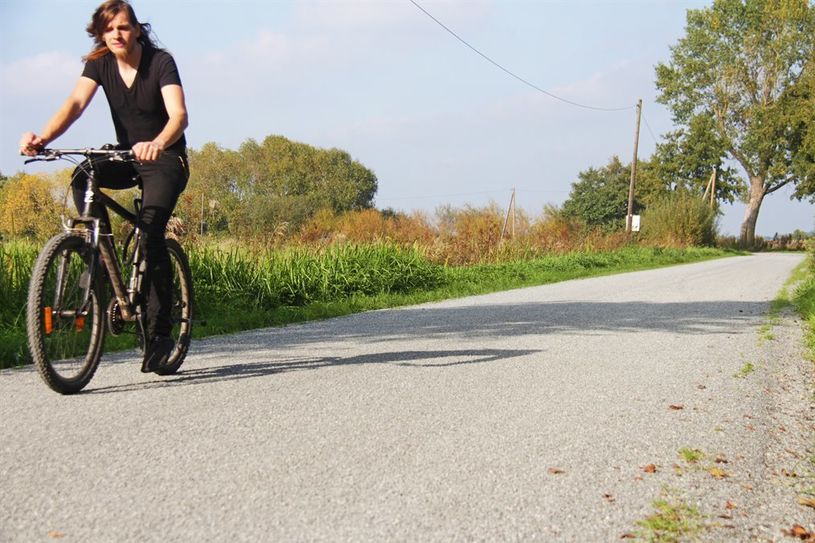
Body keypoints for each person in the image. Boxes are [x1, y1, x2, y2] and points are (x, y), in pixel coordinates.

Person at [19, 0, 190, 373]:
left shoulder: (160, 63)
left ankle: (160, 336)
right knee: (83, 175)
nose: (117, 34)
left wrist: (158, 142)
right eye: (109, 29)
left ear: (137, 30)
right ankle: (100, 257)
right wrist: (43, 137)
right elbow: (76, 103)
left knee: (151, 235)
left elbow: (179, 116)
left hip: (164, 159)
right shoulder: (99, 63)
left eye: (124, 27)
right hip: (128, 157)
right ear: (101, 33)